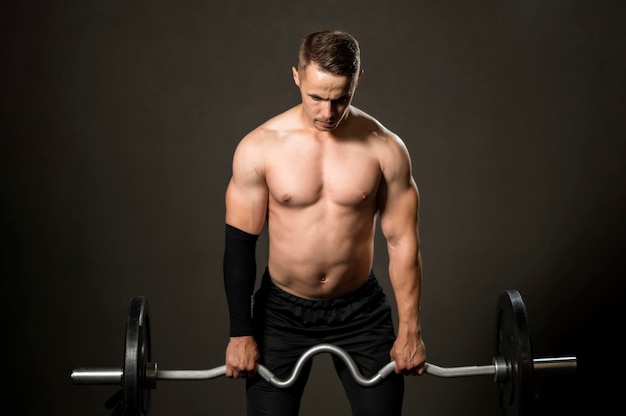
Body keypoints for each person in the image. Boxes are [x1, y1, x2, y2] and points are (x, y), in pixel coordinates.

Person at [222, 29, 426, 416]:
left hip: (360, 311)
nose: (328, 113)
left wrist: (410, 329)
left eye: (341, 99)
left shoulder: (385, 148)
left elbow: (403, 243)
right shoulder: (260, 147)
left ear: (358, 79)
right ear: (297, 77)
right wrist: (240, 332)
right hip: (280, 313)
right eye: (316, 97)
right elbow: (239, 246)